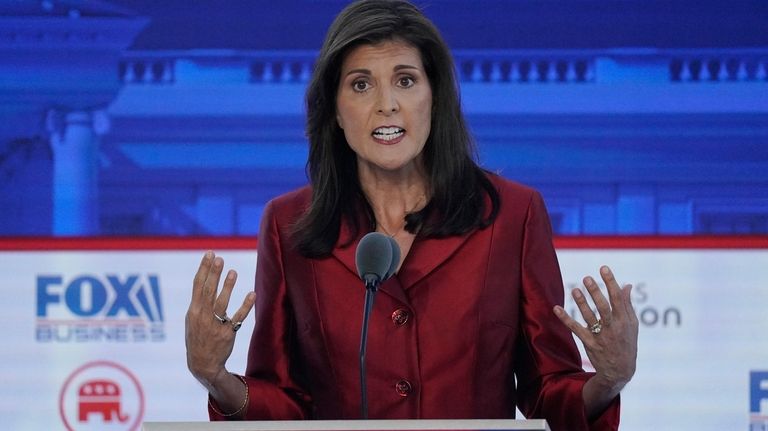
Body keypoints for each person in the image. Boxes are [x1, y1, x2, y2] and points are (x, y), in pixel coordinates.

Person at [185, 0, 639, 430]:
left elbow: (548, 395)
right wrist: (217, 378)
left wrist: (607, 380)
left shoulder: (512, 216)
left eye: (405, 80)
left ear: (434, 97)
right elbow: (284, 403)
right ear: (336, 111)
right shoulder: (289, 225)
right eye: (361, 84)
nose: (387, 104)